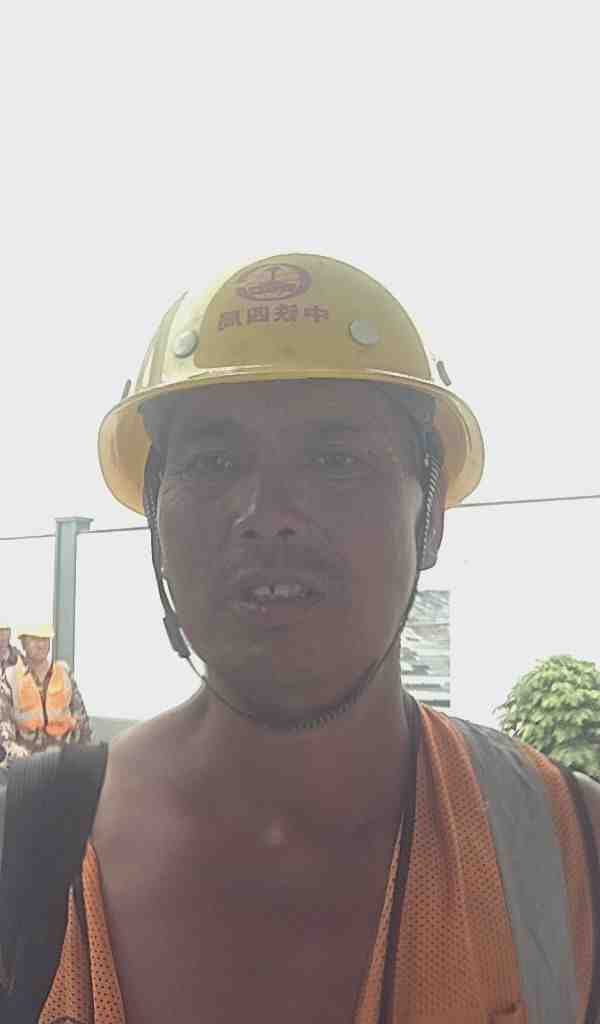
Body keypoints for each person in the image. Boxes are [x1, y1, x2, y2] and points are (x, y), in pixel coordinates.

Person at [8, 255, 600, 1022]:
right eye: (215, 461)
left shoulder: (569, 853)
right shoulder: (26, 849)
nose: (268, 514)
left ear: (430, 520)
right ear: (155, 519)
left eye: (335, 460)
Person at [0, 625, 92, 766]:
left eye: (45, 639)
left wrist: (85, 757)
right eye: (34, 640)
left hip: (64, 760)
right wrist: (14, 752)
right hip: (27, 764)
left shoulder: (64, 673)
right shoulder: (10, 678)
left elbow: (82, 721)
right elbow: (3, 725)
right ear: (23, 643)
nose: (41, 645)